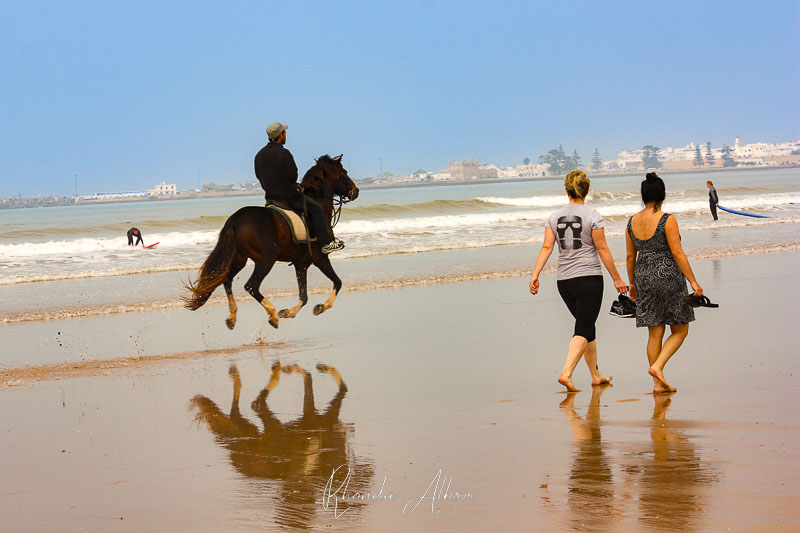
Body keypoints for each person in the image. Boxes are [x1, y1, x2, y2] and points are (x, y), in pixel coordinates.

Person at [530, 169, 628, 392]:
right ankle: (566, 373)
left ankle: (595, 374)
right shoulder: (593, 215)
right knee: (583, 327)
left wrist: (535, 275)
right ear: (587, 190)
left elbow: (547, 247)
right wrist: (617, 278)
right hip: (589, 279)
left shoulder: (553, 217)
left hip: (564, 282)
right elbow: (602, 248)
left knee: (587, 324)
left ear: (567, 191)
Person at [626, 172, 703, 393]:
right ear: (663, 195)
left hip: (643, 277)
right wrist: (694, 282)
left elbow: (631, 257)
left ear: (643, 196)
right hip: (668, 276)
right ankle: (658, 366)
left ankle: (657, 384)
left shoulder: (631, 222)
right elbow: (678, 253)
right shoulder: (667, 220)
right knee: (680, 330)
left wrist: (632, 283)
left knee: (654, 333)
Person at [254, 122, 344, 254]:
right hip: (289, 197)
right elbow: (293, 175)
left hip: (270, 198)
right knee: (317, 209)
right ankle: (326, 244)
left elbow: (258, 176)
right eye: (284, 132)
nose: (286, 135)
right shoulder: (284, 153)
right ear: (281, 135)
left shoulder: (259, 155)